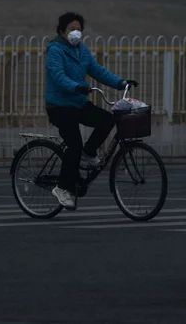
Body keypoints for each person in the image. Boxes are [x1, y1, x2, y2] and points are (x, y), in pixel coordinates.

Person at [44, 11, 138, 210]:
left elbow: (96, 70)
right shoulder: (55, 50)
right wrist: (75, 86)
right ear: (62, 31)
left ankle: (90, 150)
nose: (76, 33)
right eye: (72, 29)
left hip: (78, 103)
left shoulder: (81, 50)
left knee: (108, 119)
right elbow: (58, 75)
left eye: (79, 30)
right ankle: (62, 188)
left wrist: (120, 83)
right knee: (74, 144)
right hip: (59, 106)